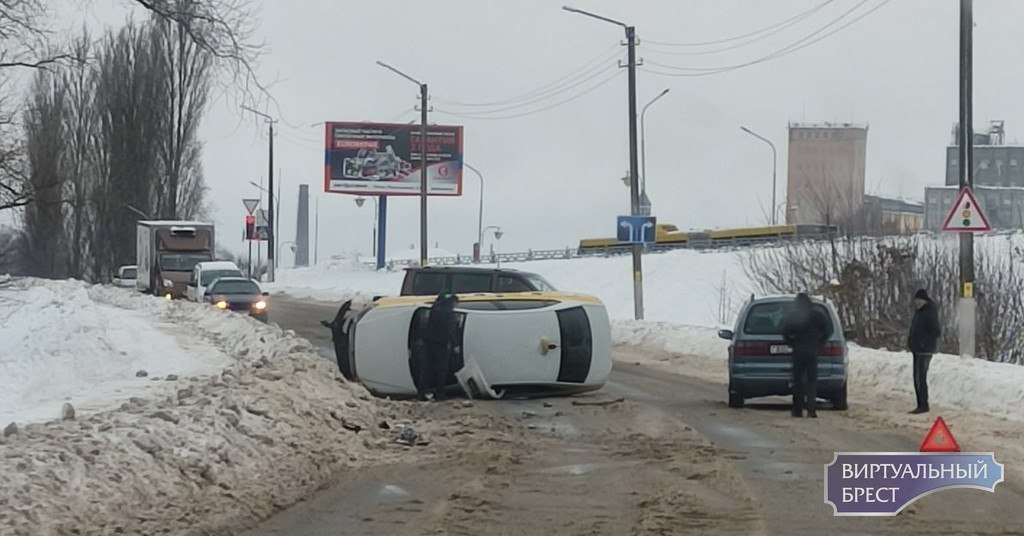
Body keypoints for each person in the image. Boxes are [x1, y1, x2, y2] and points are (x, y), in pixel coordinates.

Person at [781, 292, 832, 418]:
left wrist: (791, 342)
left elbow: (784, 331)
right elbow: (828, 331)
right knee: (811, 381)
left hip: (798, 351)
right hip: (813, 351)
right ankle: (811, 409)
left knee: (798, 380)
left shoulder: (794, 316)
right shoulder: (818, 315)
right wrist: (820, 343)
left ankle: (797, 409)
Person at [419, 292, 460, 401]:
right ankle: (440, 394)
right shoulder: (449, 313)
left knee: (426, 369)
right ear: (452, 302)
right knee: (441, 370)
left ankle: (421, 393)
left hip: (428, 342)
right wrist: (455, 345)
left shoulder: (434, 309)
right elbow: (450, 329)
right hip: (441, 344)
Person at [907, 288, 941, 414]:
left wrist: (923, 343)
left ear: (923, 300)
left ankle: (924, 404)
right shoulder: (919, 312)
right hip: (917, 350)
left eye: (917, 301)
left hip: (925, 350)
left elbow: (936, 331)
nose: (915, 303)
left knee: (921, 377)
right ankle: (920, 403)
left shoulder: (929, 312)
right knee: (916, 376)